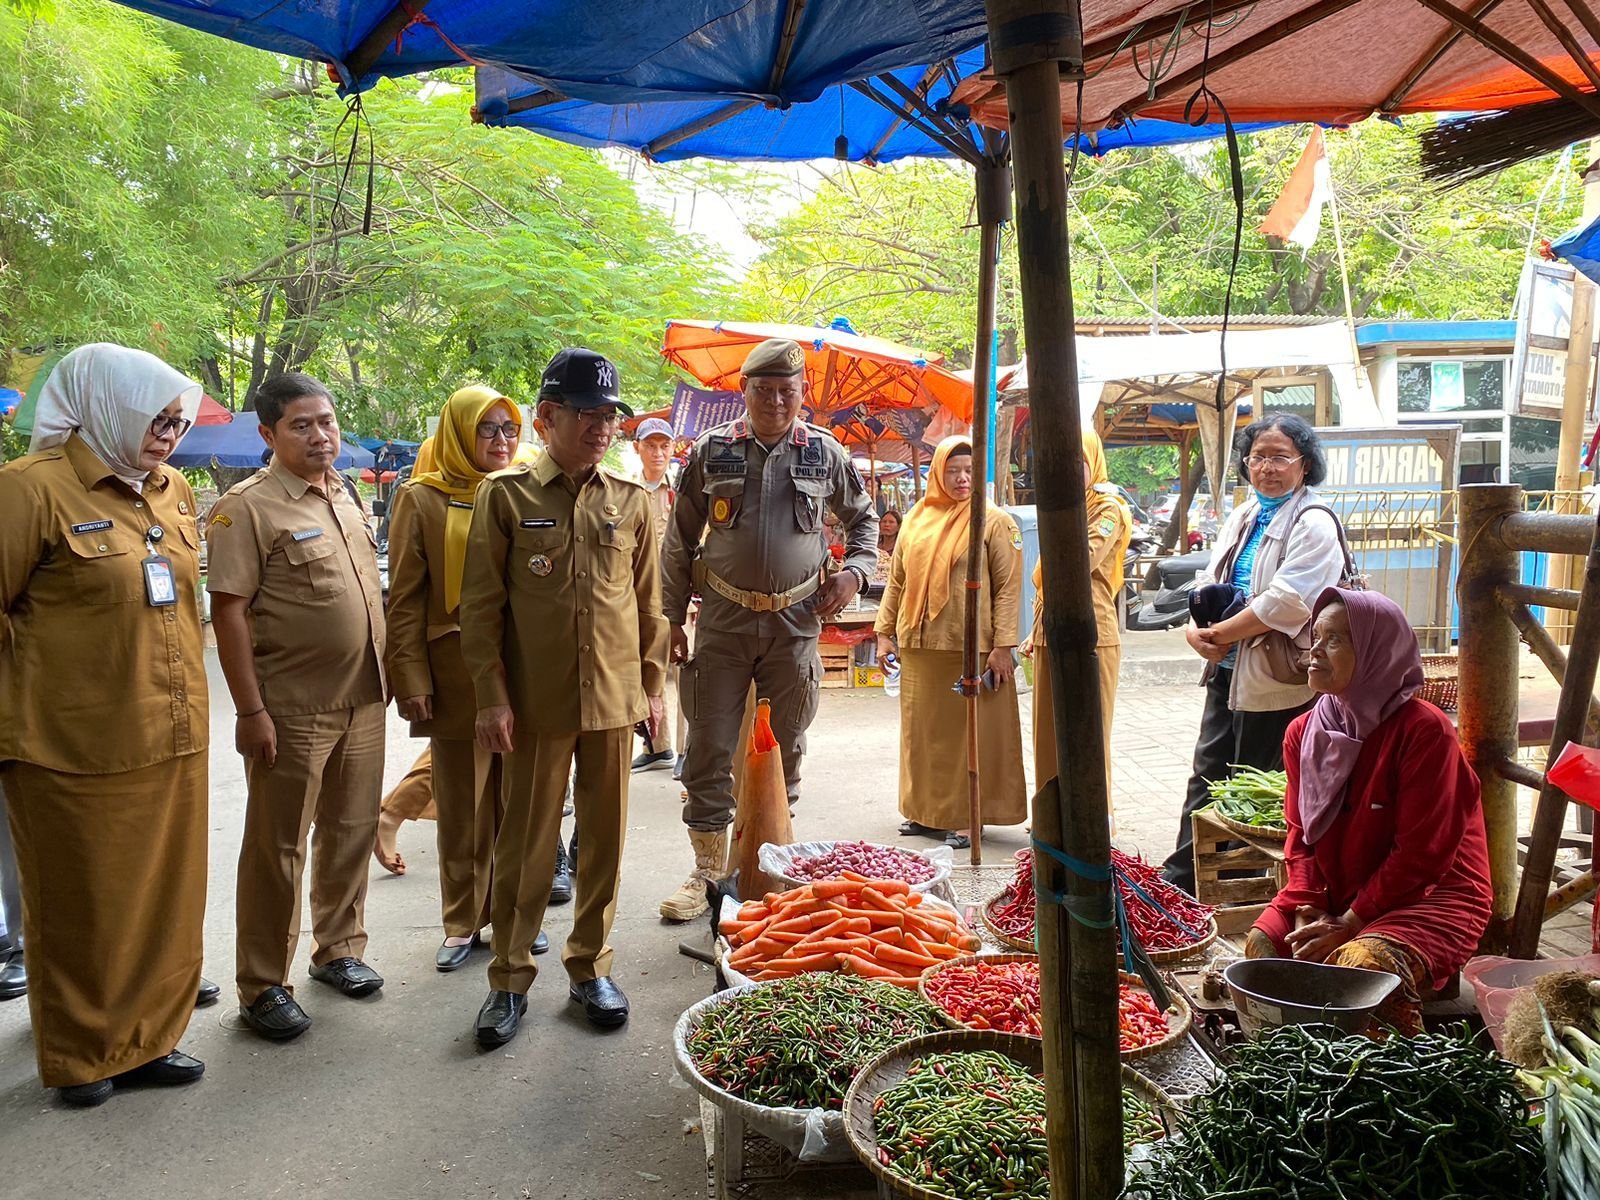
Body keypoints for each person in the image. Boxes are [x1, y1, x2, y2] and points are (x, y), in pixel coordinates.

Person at [0, 343, 210, 1106]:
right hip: (72, 748)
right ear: (107, 406)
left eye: (177, 420)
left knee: (163, 900)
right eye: (154, 416)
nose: (168, 433)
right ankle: (84, 1053)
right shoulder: (31, 491)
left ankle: (147, 1039)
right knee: (82, 907)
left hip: (174, 735)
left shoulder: (173, 490)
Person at [460, 347, 668, 1043]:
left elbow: (649, 605)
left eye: (611, 416)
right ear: (548, 416)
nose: (603, 427)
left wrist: (653, 687)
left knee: (603, 843)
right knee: (526, 843)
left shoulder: (631, 501)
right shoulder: (506, 496)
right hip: (537, 703)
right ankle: (509, 978)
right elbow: (481, 608)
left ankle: (589, 968)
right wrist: (491, 698)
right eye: (588, 414)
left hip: (612, 700)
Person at [659, 338, 878, 921]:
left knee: (785, 747)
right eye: (765, 390)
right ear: (745, 391)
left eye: (788, 390)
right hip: (723, 626)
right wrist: (671, 619)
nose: (777, 400)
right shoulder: (712, 452)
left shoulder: (826, 455)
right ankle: (708, 872)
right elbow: (678, 541)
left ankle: (772, 865)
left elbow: (865, 523)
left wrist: (855, 575)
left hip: (795, 625)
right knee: (708, 747)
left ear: (801, 393)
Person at [209, 371, 388, 1041]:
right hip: (292, 708)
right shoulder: (246, 507)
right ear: (268, 434)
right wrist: (250, 712)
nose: (322, 435)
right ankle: (262, 985)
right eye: (302, 425)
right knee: (276, 848)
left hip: (362, 698)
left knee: (350, 831)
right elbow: (228, 614)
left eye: (328, 420)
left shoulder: (343, 493)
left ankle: (339, 949)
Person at [1246, 589, 1493, 1035]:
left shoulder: (1424, 732)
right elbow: (1300, 838)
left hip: (1431, 893)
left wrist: (1350, 922)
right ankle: (1299, 1066)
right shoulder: (1304, 732)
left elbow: (1423, 854)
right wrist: (1308, 909)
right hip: (1334, 888)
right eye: (1314, 637)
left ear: (1378, 654)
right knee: (1262, 947)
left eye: (1335, 640)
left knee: (1362, 967)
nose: (1314, 652)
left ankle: (1399, 1081)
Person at [386, 385, 560, 971]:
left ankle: (516, 918)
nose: (502, 441)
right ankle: (462, 922)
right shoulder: (423, 498)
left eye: (509, 430)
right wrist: (409, 674)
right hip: (456, 670)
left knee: (522, 804)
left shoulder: (530, 491)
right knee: (462, 804)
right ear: (459, 433)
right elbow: (405, 597)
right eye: (487, 429)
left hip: (526, 668)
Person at [1164, 413, 1349, 894]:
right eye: (1257, 457)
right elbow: (1208, 580)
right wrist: (1195, 630)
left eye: (1280, 456)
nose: (1267, 467)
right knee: (1208, 775)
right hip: (1228, 667)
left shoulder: (1314, 521)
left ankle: (1245, 885)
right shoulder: (1244, 514)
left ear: (1304, 465)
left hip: (1278, 677)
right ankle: (1183, 879)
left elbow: (1286, 600)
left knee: (1256, 783)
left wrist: (1221, 632)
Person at [874, 437, 1025, 849]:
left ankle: (966, 818)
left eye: (969, 470)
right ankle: (926, 812)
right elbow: (898, 581)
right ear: (937, 473)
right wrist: (885, 633)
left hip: (971, 645)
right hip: (920, 645)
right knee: (921, 735)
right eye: (953, 470)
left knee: (967, 737)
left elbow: (1009, 589)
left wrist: (1003, 646)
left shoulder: (994, 521)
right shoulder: (917, 519)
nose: (961, 478)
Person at [1022, 429, 1131, 822]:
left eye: (1077, 462)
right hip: (1051, 635)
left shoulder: (1108, 509)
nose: (1067, 471)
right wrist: (1034, 633)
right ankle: (1053, 825)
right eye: (1058, 463)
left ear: (1092, 463)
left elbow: (1075, 562)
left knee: (1086, 739)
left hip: (1091, 637)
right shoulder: (1066, 507)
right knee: (1048, 739)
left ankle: (1090, 827)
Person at [633, 416, 681, 773]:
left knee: (688, 670)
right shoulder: (625, 492)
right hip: (640, 597)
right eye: (651, 446)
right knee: (648, 670)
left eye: (664, 446)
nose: (658, 453)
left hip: (679, 596)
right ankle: (657, 745)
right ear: (638, 449)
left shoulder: (680, 490)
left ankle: (688, 751)